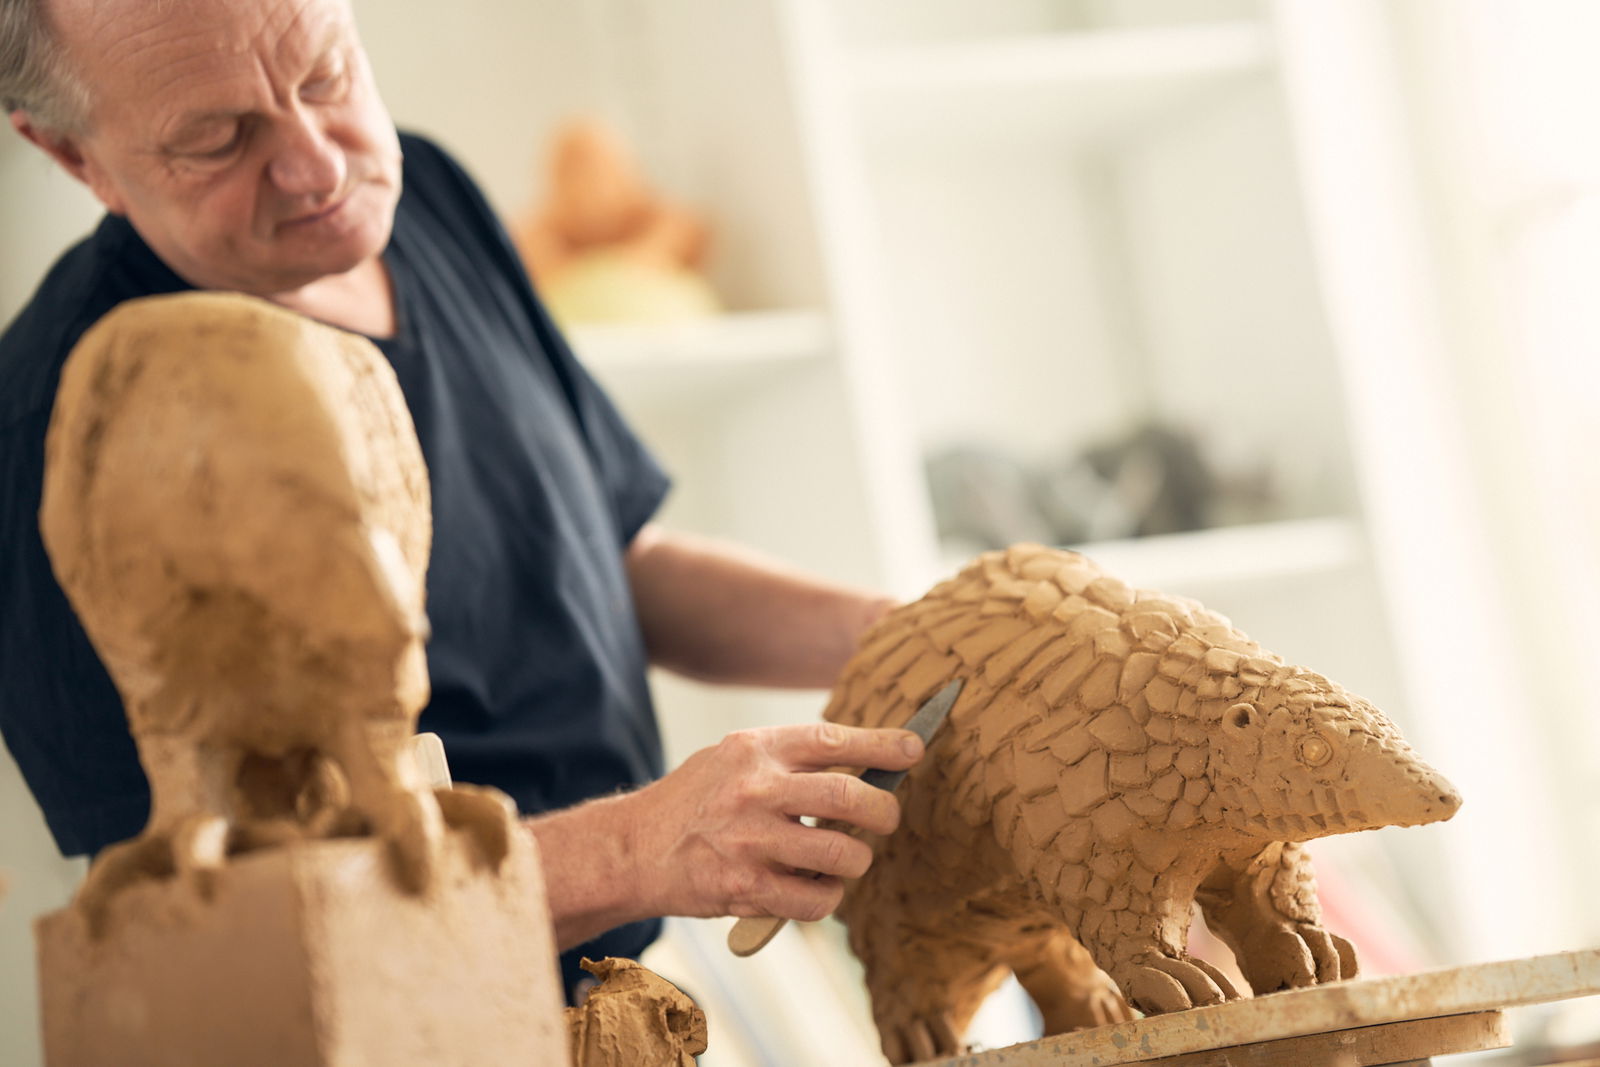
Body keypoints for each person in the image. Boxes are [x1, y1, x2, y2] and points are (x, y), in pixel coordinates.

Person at [0, 0, 923, 997]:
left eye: (325, 76)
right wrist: (637, 850)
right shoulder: (68, 427)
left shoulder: (427, 194)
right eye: (219, 139)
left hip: (626, 989)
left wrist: (906, 634)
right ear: (72, 154)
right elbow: (208, 923)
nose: (318, 164)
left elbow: (611, 563)